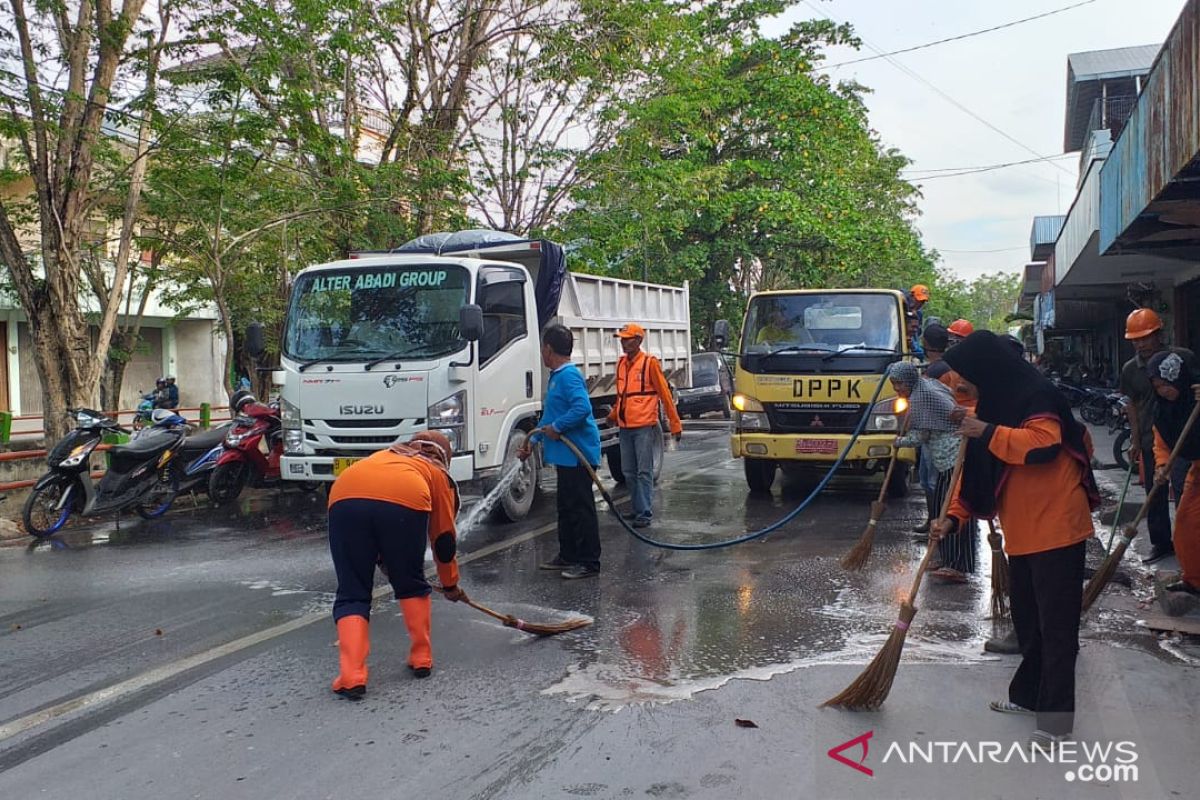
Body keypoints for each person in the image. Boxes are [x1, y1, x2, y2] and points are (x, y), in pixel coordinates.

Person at [935, 331, 1100, 747]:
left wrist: (985, 430)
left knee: (1058, 629)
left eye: (965, 375)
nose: (959, 383)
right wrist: (952, 519)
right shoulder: (994, 405)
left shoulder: (1036, 396)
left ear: (987, 369)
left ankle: (1056, 722)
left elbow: (1043, 445)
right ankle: (1028, 697)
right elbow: (974, 475)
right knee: (1029, 623)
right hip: (1024, 534)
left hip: (1058, 528)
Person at [326, 430, 466, 699]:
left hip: (344, 495)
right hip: (406, 496)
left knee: (352, 592)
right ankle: (422, 656)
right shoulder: (436, 472)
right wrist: (450, 584)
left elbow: (371, 509)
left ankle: (351, 675)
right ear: (443, 457)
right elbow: (444, 539)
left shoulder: (384, 456)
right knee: (410, 582)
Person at [519, 324, 602, 579]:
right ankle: (568, 555)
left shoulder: (569, 376)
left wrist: (557, 427)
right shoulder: (557, 376)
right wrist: (529, 445)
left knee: (580, 508)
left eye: (542, 348)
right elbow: (549, 416)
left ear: (548, 348)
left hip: (579, 455)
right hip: (565, 457)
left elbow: (582, 409)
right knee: (565, 507)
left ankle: (588, 561)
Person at [1119, 308, 1199, 564]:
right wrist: (1134, 439)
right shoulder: (1130, 369)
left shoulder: (1182, 358)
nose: (1141, 343)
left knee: (1185, 495)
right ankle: (1162, 544)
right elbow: (1131, 403)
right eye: (1136, 339)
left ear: (1159, 334)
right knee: (1155, 493)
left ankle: (1188, 543)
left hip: (1186, 439)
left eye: (1146, 337)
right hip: (1149, 438)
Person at [888, 362, 972, 581]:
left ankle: (957, 565)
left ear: (908, 380)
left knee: (950, 512)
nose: (897, 389)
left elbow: (922, 435)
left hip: (954, 459)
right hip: (945, 461)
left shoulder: (922, 396)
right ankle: (945, 558)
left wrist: (900, 441)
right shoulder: (922, 389)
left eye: (899, 384)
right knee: (938, 510)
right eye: (894, 384)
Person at [608, 323, 683, 528]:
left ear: (639, 340)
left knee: (643, 471)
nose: (623, 342)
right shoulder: (622, 363)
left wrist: (675, 424)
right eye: (622, 339)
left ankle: (644, 513)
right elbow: (621, 395)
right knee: (628, 471)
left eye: (627, 338)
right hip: (625, 426)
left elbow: (665, 395)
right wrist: (613, 415)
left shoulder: (650, 363)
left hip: (643, 426)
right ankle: (637, 508)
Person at [1146, 351, 1200, 598]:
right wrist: (1162, 466)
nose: (1163, 390)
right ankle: (1194, 580)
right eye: (1157, 386)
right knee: (1186, 525)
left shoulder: (1197, 395)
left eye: (1166, 384)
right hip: (1197, 468)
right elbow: (1161, 442)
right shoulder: (1162, 411)